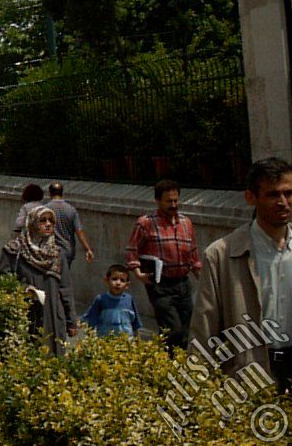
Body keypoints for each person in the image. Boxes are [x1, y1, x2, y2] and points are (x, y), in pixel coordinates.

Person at [191, 157, 292, 394]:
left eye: (288, 193)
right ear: (251, 198)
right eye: (272, 195)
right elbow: (204, 326)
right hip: (252, 371)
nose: (283, 202)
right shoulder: (222, 255)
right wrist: (197, 390)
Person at [126, 179, 202, 351]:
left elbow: (194, 256)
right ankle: (168, 364)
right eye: (169, 201)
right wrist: (138, 273)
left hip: (183, 283)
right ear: (158, 200)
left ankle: (179, 365)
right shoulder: (146, 223)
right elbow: (132, 250)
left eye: (176, 200)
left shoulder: (186, 223)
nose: (173, 205)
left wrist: (204, 280)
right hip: (160, 286)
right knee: (172, 329)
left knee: (186, 330)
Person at [0, 206, 75, 355]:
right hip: (26, 313)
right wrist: (24, 289)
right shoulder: (15, 250)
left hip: (52, 314)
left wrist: (71, 321)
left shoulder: (57, 254)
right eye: (43, 220)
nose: (48, 224)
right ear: (32, 223)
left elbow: (65, 289)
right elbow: (2, 278)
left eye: (51, 221)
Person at [45, 182, 94, 323]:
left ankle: (56, 307)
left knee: (53, 279)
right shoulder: (71, 210)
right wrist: (87, 249)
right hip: (67, 251)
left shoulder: (45, 209)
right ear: (62, 192)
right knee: (64, 280)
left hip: (51, 250)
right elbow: (79, 231)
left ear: (49, 193)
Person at [82, 264, 141, 338]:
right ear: (106, 280)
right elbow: (90, 321)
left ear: (127, 285)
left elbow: (136, 324)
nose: (118, 283)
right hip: (105, 342)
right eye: (114, 279)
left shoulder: (129, 300)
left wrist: (137, 342)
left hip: (126, 342)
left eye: (122, 280)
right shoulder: (101, 300)